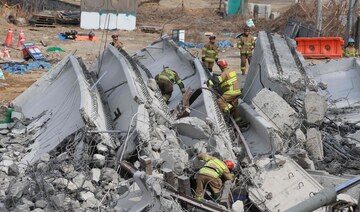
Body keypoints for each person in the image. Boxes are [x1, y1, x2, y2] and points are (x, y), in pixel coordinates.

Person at [207, 59, 243, 126]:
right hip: (237, 91)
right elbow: (226, 81)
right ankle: (239, 121)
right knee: (234, 106)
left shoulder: (224, 73)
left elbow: (218, 80)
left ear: (221, 66)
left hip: (231, 92)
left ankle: (228, 111)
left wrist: (209, 82)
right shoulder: (231, 71)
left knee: (220, 101)